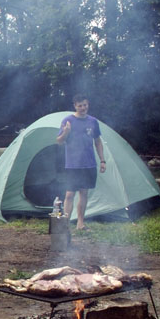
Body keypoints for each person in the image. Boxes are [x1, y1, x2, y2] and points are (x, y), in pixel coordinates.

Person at [55, 94, 106, 230]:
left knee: (84, 193)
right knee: (69, 194)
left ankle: (80, 223)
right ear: (75, 106)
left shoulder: (93, 121)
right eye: (80, 106)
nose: (83, 108)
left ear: (87, 104)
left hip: (89, 163)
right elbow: (59, 141)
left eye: (85, 105)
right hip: (73, 164)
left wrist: (102, 160)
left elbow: (98, 141)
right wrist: (66, 132)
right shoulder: (68, 120)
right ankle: (64, 224)